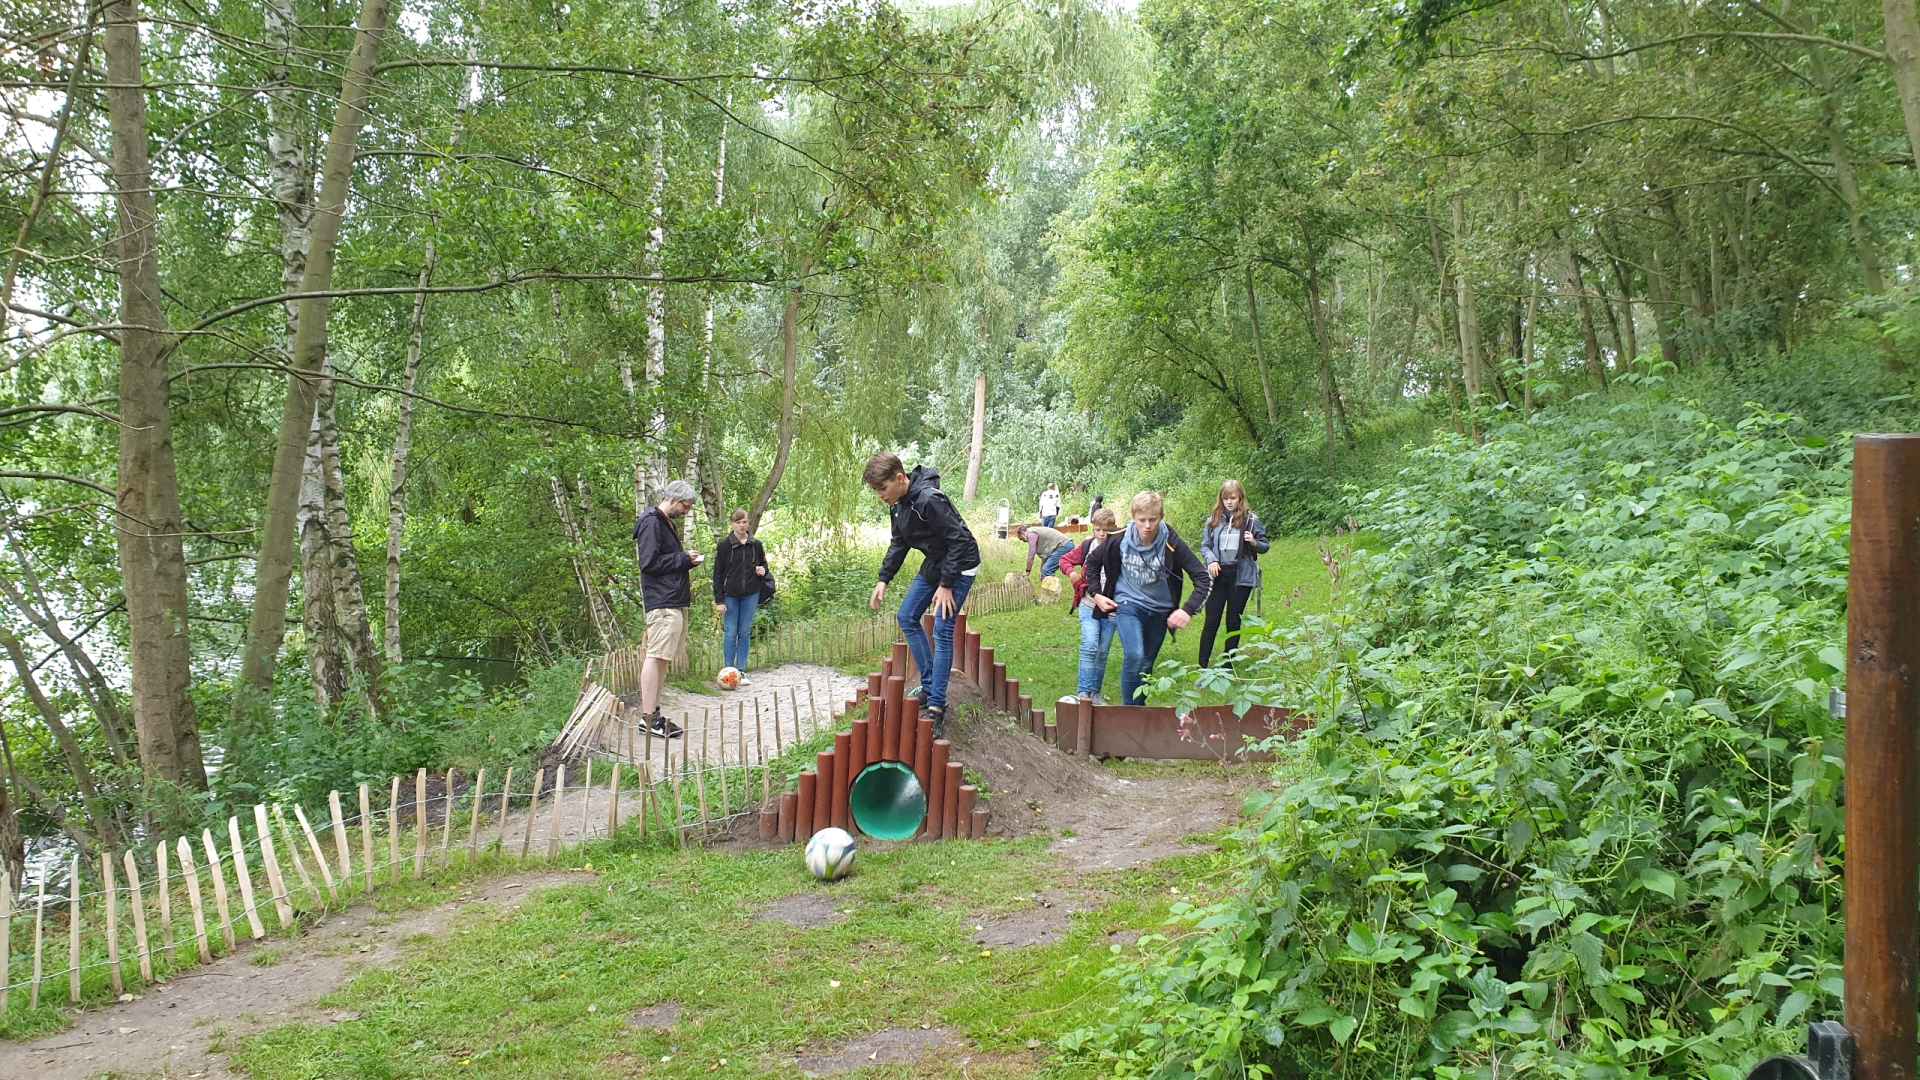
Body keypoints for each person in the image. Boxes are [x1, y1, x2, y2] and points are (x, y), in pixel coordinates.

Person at [865, 453, 981, 736]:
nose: (880, 496)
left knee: (942, 630)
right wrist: (883, 579)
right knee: (906, 616)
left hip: (960, 564)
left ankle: (937, 706)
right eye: (876, 490)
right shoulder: (897, 505)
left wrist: (946, 584)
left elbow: (960, 540)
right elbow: (899, 543)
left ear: (900, 478)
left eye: (882, 488)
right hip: (937, 562)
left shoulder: (930, 500)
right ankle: (929, 686)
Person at [1087, 491, 1211, 706]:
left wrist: (1187, 610)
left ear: (1161, 517)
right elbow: (1092, 562)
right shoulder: (1119, 538)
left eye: (1153, 520)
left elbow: (1202, 577)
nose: (1147, 526)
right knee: (1135, 654)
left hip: (1160, 610)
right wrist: (1096, 594)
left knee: (1146, 664)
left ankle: (1140, 710)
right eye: (1141, 520)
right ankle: (1130, 713)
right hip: (1128, 603)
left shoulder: (1171, 542)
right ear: (1133, 517)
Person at [633, 480, 703, 738]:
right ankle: (648, 719)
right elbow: (649, 563)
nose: (686, 511)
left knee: (662, 659)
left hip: (671, 599)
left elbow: (663, 560)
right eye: (686, 505)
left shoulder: (663, 522)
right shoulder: (651, 522)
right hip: (662, 602)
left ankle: (654, 715)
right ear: (674, 499)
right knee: (655, 656)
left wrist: (686, 561)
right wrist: (682, 558)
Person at [1197, 480, 1270, 668]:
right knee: (1211, 620)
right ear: (1221, 499)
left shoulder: (1251, 520)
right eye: (1225, 498)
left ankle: (1228, 666)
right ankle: (1202, 666)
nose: (1229, 502)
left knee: (1233, 621)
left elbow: (1264, 546)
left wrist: (1253, 542)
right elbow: (1205, 546)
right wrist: (1211, 560)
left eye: (1233, 498)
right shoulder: (1213, 520)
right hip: (1218, 575)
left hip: (1241, 576)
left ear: (1240, 498)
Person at [1058, 507, 1119, 701]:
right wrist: (1071, 573)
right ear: (1093, 529)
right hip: (1088, 604)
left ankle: (1095, 693)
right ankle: (1083, 692)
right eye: (1098, 529)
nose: (1101, 534)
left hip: (1111, 609)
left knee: (1102, 651)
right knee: (1090, 645)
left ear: (1113, 529)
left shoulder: (1119, 547)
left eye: (1106, 530)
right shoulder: (1087, 546)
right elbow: (1064, 560)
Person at [711, 509, 769, 685]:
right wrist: (719, 600)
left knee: (744, 632)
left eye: (745, 522)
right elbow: (718, 574)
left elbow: (764, 565)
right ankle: (729, 671)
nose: (742, 525)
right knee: (730, 632)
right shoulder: (724, 545)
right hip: (730, 595)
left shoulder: (756, 544)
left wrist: (762, 570)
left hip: (751, 594)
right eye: (738, 522)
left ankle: (741, 671)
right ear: (732, 524)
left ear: (748, 524)